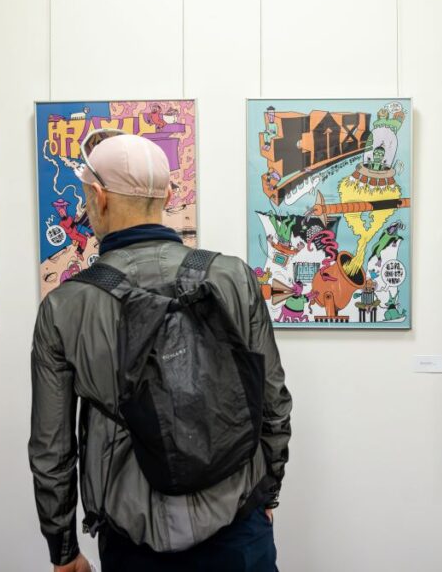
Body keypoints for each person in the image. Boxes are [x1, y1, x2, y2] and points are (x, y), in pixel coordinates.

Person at [29, 132, 292, 572]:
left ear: (99, 197)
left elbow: (51, 447)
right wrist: (268, 492)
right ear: (168, 195)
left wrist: (63, 547)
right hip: (237, 528)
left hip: (133, 543)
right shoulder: (233, 276)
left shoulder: (64, 307)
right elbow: (274, 401)